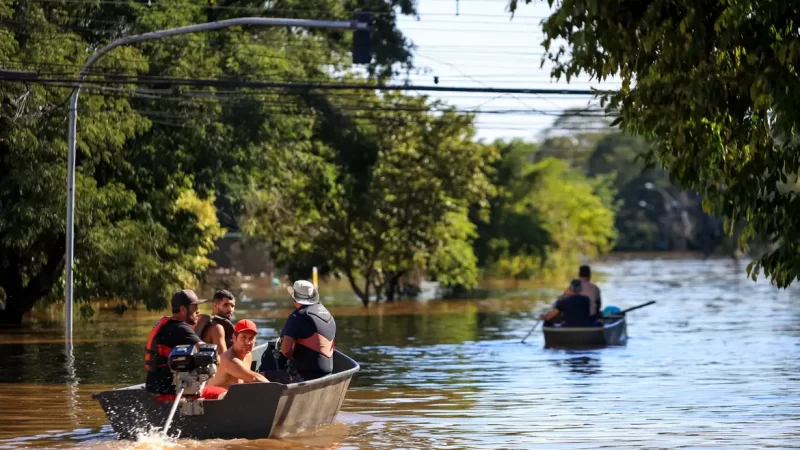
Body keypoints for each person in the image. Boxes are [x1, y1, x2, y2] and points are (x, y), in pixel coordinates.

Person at [144, 289, 227, 400]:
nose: (198, 311)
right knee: (225, 394)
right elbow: (210, 353)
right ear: (183, 309)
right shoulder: (181, 328)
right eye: (195, 307)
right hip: (172, 393)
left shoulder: (166, 326)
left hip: (155, 389)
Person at [279, 280, 336, 381]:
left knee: (265, 376)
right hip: (328, 372)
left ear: (294, 298)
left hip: (307, 376)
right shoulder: (327, 313)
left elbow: (286, 350)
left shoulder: (297, 316)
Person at [208, 319, 268, 390]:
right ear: (234, 338)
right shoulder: (229, 359)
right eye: (243, 337)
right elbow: (254, 378)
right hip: (215, 399)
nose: (248, 342)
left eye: (251, 338)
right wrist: (277, 390)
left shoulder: (248, 355)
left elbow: (248, 381)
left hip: (235, 396)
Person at [194, 289, 236, 353]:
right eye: (226, 305)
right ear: (215, 306)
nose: (230, 309)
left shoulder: (202, 321)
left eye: (232, 306)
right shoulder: (216, 328)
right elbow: (223, 358)